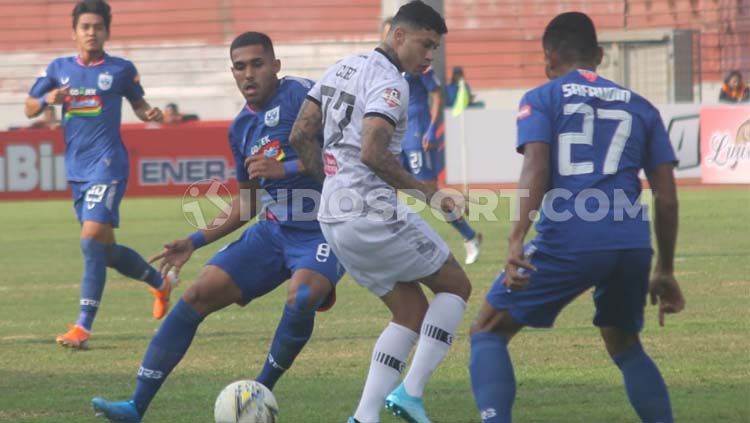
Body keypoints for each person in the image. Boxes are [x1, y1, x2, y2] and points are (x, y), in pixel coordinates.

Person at [90, 32, 344, 422]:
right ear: (232, 72)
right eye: (240, 67)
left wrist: (287, 168)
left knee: (303, 294)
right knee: (196, 295)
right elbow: (248, 202)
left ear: (276, 66)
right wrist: (194, 240)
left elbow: (345, 155)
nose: (249, 74)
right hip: (275, 230)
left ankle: (259, 394)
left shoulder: (302, 97)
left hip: (327, 227)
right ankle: (135, 405)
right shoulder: (241, 127)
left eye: (258, 64)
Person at [468, 12, 685, 423]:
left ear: (548, 59)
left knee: (488, 331)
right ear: (600, 55)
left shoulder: (543, 97)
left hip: (570, 238)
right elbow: (668, 198)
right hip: (631, 243)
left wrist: (516, 238)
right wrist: (666, 268)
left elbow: (536, 167)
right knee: (625, 343)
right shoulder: (642, 107)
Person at [291, 2, 471, 423]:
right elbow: (373, 153)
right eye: (426, 44)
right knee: (456, 286)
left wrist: (333, 182)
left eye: (436, 47)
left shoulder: (342, 67)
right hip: (369, 212)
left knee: (409, 313)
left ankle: (364, 416)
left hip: (333, 216)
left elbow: (301, 133)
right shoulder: (391, 83)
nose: (430, 55)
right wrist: (430, 194)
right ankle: (410, 393)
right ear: (398, 35)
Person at [24, 0, 171, 350]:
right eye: (85, 27)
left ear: (107, 31)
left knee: (90, 239)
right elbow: (29, 108)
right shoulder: (58, 68)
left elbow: (139, 105)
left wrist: (150, 113)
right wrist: (48, 100)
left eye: (97, 27)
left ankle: (82, 327)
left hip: (108, 165)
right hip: (76, 169)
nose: (91, 33)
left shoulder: (120, 69)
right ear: (74, 32)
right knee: (104, 251)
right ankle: (159, 282)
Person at [382, 18, 483, 265]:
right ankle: (394, 246)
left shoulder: (417, 63)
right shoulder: (385, 66)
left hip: (416, 132)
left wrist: (430, 129)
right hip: (395, 136)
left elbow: (436, 94)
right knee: (387, 187)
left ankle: (469, 236)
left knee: (428, 191)